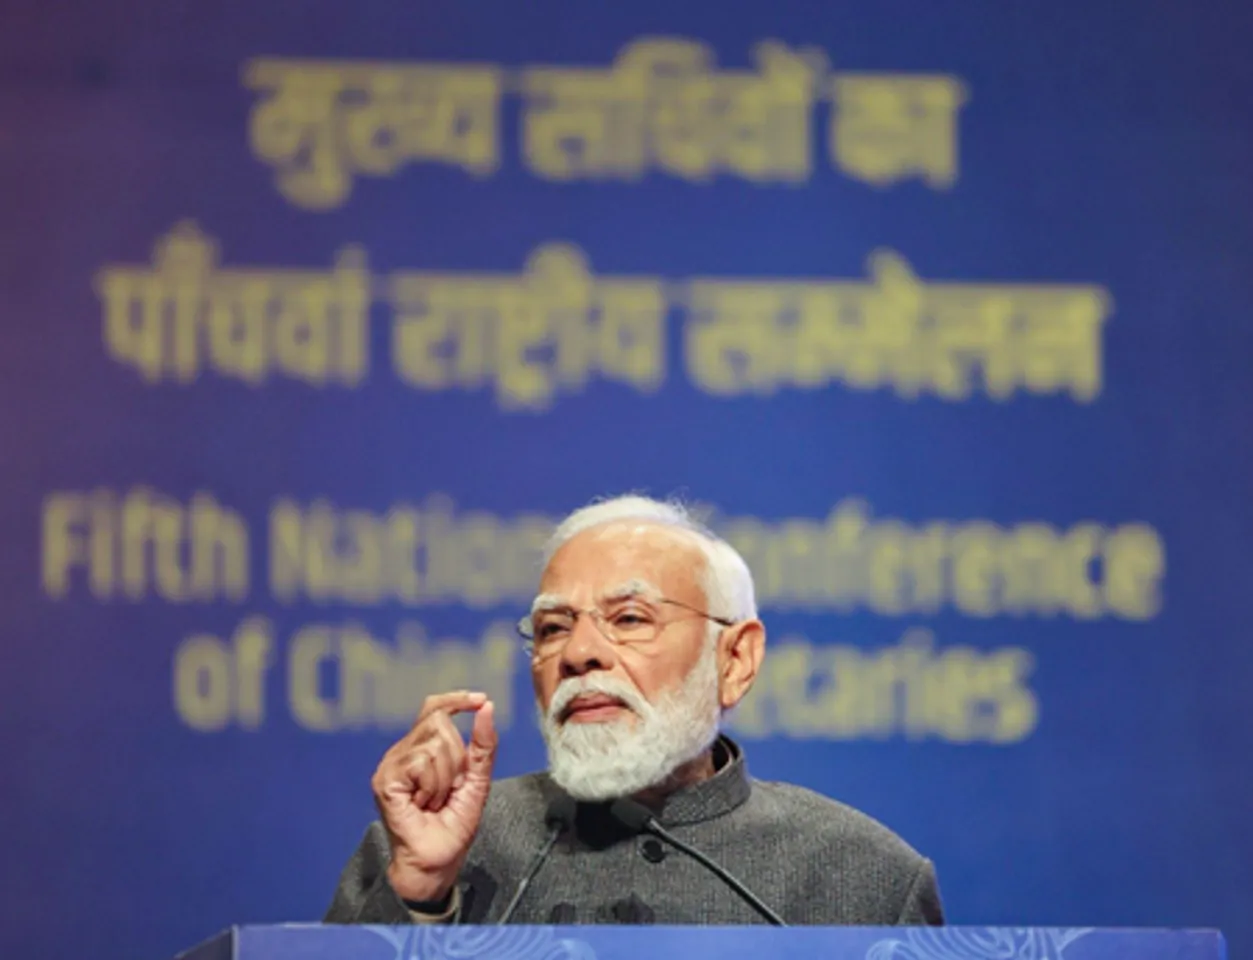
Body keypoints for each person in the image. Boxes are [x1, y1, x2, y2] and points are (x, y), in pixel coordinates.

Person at [325, 495, 944, 925]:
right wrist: (421, 894)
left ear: (734, 661)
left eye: (628, 619)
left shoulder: (862, 876)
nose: (579, 653)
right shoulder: (436, 850)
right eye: (552, 627)